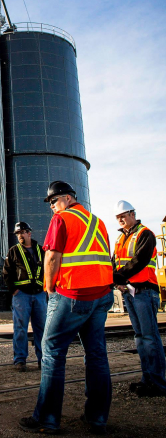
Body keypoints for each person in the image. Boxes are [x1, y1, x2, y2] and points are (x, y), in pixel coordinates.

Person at [19, 181, 114, 435]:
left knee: (51, 353)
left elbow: (51, 256)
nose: (52, 207)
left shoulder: (62, 220)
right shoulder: (98, 222)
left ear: (69, 198)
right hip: (101, 295)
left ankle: (47, 420)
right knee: (96, 355)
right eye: (51, 204)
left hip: (73, 295)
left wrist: (50, 289)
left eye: (53, 201)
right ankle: (97, 419)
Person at [113, 200, 166, 397]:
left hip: (145, 291)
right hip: (130, 292)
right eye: (118, 218)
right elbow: (115, 262)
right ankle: (147, 379)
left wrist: (119, 277)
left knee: (150, 337)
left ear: (133, 214)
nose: (121, 220)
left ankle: (158, 382)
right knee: (141, 338)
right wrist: (116, 281)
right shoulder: (120, 240)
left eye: (123, 216)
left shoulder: (145, 234)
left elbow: (140, 260)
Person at [3, 221, 46, 372]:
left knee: (41, 328)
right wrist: (14, 290)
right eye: (18, 234)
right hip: (21, 295)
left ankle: (43, 359)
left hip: (39, 294)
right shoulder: (13, 251)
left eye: (22, 232)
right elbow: (6, 272)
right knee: (20, 328)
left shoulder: (41, 250)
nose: (20, 235)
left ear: (29, 233)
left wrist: (46, 289)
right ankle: (20, 360)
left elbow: (48, 268)